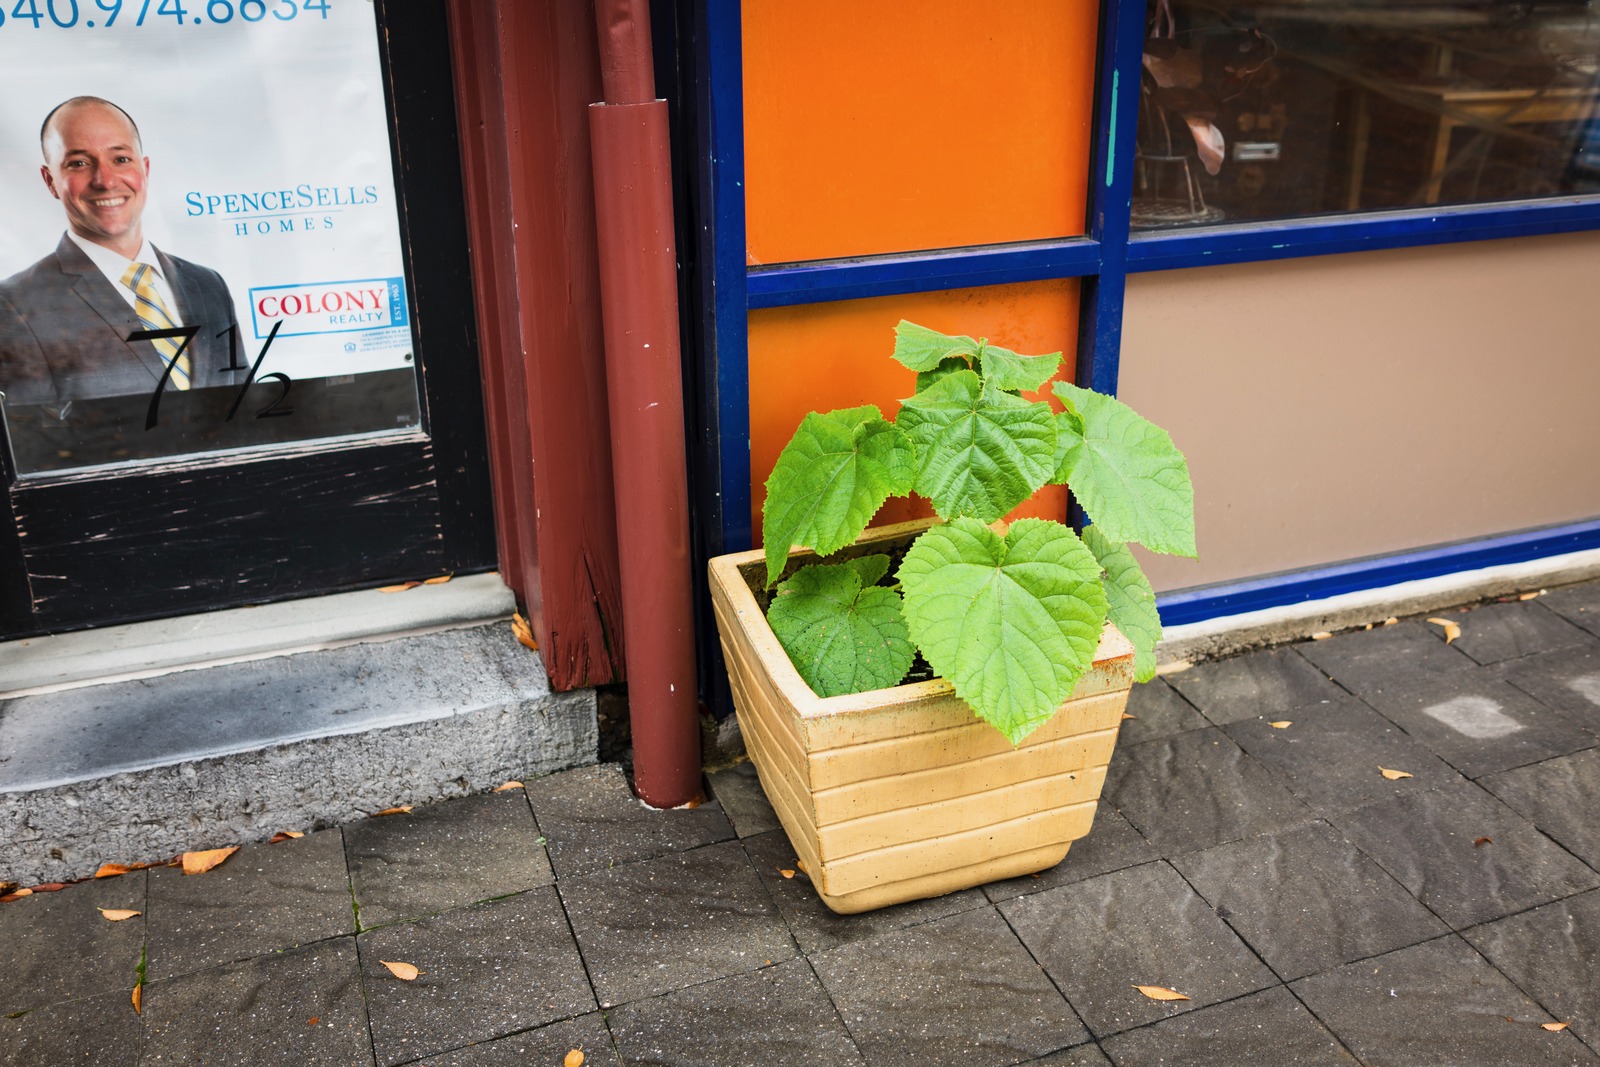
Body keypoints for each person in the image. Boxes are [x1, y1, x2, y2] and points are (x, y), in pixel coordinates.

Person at [0, 96, 240, 412]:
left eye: (121, 159)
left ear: (146, 169)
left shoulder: (207, 284)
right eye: (79, 163)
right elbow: (31, 445)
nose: (105, 180)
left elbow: (244, 407)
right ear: (50, 181)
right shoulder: (15, 305)